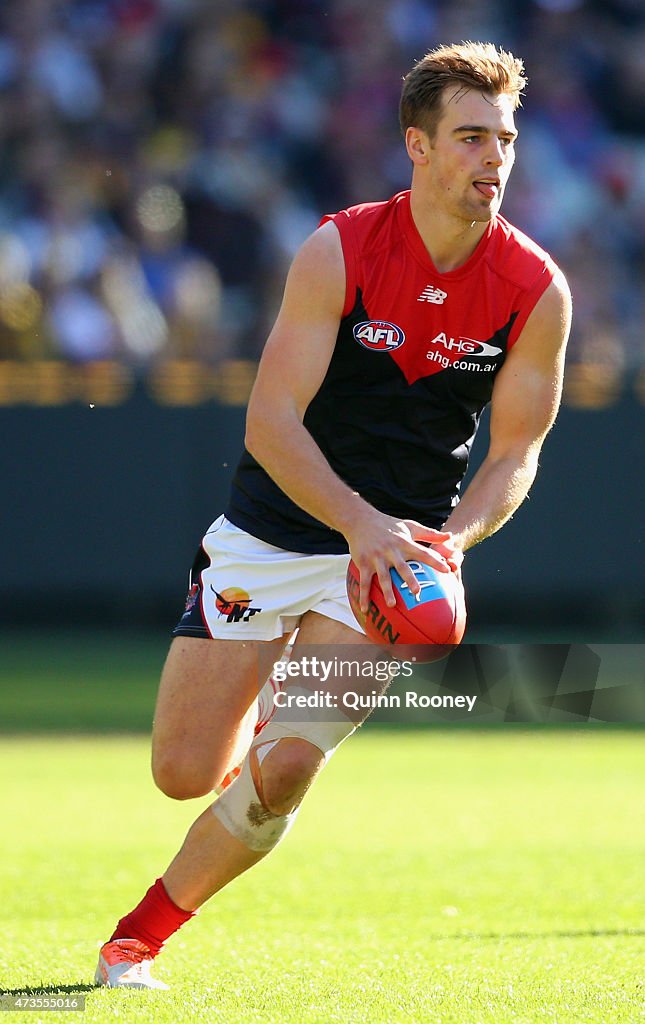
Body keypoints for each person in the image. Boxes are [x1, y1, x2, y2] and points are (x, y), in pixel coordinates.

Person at [95, 41, 571, 989]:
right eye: (471, 137)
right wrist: (359, 522)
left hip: (390, 562)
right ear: (418, 145)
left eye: (506, 140)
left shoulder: (535, 289)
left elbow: (516, 453)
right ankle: (248, 741)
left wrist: (453, 546)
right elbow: (270, 423)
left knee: (288, 769)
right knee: (186, 773)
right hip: (273, 535)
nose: (494, 159)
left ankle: (134, 942)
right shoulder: (341, 248)